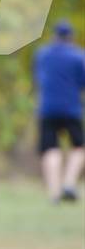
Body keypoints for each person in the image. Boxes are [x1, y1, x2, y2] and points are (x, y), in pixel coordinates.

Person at [33, 20, 85, 203]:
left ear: (55, 35)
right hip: (71, 108)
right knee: (79, 146)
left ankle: (54, 193)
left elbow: (39, 79)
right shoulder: (79, 56)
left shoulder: (42, 54)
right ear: (70, 36)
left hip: (47, 108)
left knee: (50, 148)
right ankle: (69, 184)